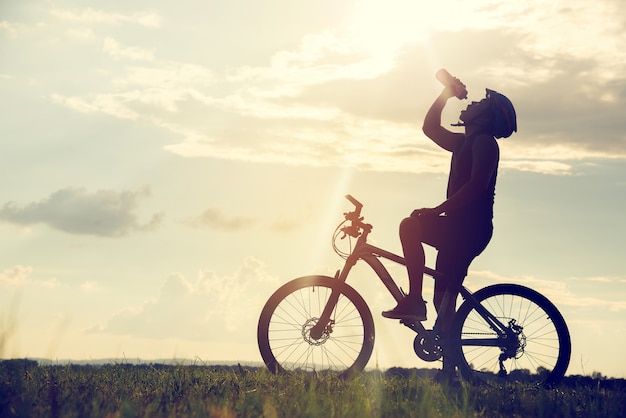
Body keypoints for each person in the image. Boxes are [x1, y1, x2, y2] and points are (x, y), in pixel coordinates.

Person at [382, 80, 517, 373]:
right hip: (456, 227)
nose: (472, 104)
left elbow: (477, 186)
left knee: (413, 229)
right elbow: (430, 128)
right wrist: (445, 93)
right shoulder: (462, 143)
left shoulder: (484, 143)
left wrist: (436, 211)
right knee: (442, 296)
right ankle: (448, 368)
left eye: (480, 104)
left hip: (470, 229)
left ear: (485, 118)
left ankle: (417, 306)